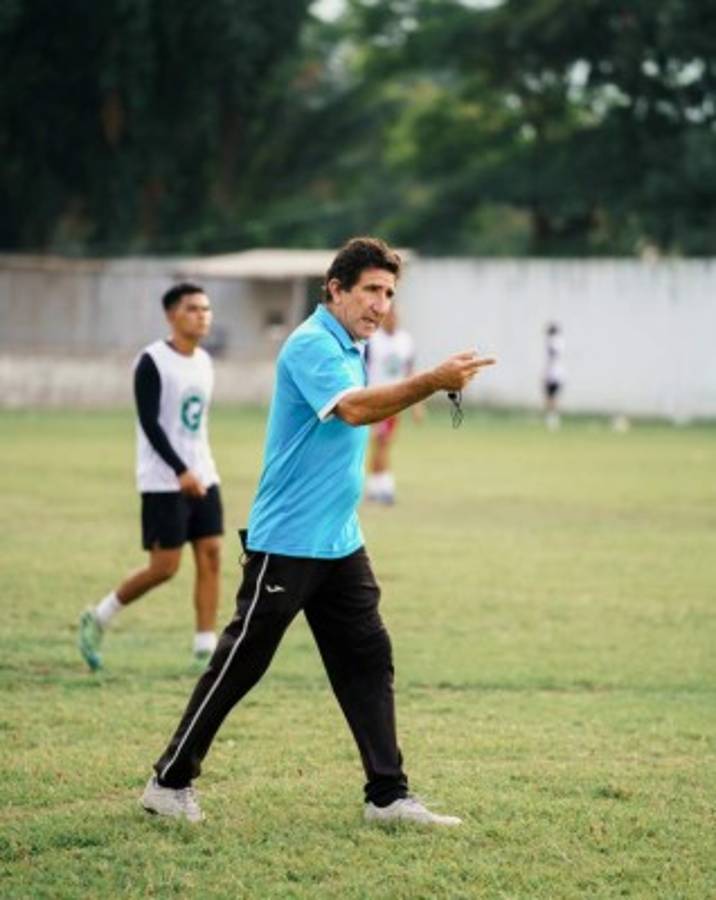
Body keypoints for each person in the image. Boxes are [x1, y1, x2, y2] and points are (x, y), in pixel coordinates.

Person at [139, 238, 495, 826]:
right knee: (240, 664)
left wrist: (426, 383)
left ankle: (387, 796)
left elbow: (364, 408)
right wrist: (432, 380)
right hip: (288, 542)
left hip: (339, 540)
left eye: (388, 293)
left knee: (368, 658)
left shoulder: (352, 344)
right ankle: (168, 782)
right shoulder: (310, 344)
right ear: (335, 290)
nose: (380, 304)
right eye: (370, 291)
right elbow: (353, 409)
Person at [78, 283, 223, 672]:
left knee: (211, 555)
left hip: (204, 473)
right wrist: (180, 471)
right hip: (164, 480)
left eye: (206, 309)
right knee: (165, 567)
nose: (202, 316)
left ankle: (205, 651)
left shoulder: (205, 362)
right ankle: (100, 616)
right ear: (171, 315)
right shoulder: (152, 361)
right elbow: (150, 423)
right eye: (193, 308)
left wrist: (199, 469)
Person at [364, 305, 421, 505]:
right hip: (375, 398)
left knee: (383, 442)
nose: (392, 320)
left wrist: (416, 405)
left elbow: (410, 371)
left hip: (395, 400)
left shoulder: (405, 341)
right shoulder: (372, 340)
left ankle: (374, 486)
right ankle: (384, 487)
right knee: (381, 442)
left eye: (395, 316)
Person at [543, 321, 565, 430]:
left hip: (552, 374)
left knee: (550, 397)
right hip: (559, 374)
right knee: (553, 397)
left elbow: (552, 355)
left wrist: (545, 374)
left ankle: (552, 418)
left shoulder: (552, 341)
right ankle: (553, 417)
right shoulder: (561, 341)